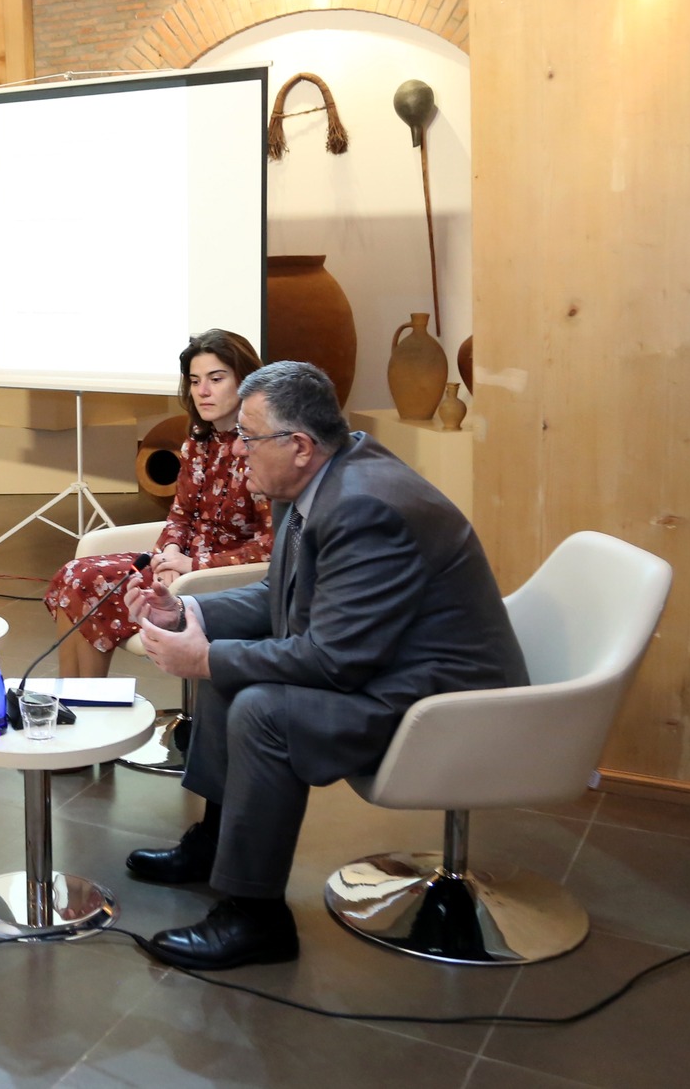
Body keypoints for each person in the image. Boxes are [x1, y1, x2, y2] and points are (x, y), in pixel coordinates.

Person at [120, 360, 526, 971]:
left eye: (249, 437)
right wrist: (187, 611)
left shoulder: (365, 507)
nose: (238, 450)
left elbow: (334, 661)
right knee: (233, 677)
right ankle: (215, 845)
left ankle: (256, 919)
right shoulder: (315, 479)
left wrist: (204, 658)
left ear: (301, 445)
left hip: (444, 702)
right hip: (389, 668)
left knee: (261, 709)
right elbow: (277, 596)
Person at [44, 330, 273, 679]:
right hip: (180, 564)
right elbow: (179, 516)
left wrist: (191, 564)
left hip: (223, 577)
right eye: (195, 381)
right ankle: (70, 697)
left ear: (245, 381)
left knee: (89, 583)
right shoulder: (198, 441)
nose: (203, 391)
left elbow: (271, 547)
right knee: (72, 574)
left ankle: (85, 702)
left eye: (216, 379)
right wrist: (169, 555)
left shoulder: (262, 449)